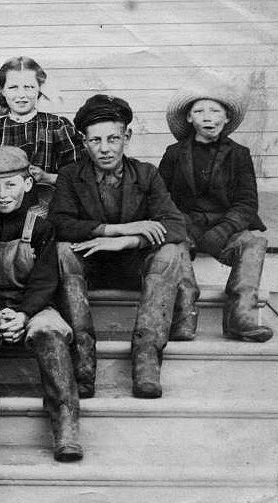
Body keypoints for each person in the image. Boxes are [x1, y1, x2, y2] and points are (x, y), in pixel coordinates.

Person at [50, 95, 186, 399]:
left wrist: (129, 240)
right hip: (90, 265)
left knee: (170, 251)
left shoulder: (146, 174)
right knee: (62, 250)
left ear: (127, 137)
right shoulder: (72, 175)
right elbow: (59, 222)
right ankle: (83, 361)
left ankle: (146, 359)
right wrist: (114, 230)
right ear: (84, 142)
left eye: (113, 138)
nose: (105, 148)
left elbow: (176, 225)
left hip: (132, 268)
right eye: (95, 140)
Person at [0, 146, 82, 462]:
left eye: (11, 184)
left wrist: (24, 314)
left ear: (27, 184)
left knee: (50, 331)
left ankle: (65, 424)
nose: (2, 194)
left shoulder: (42, 225)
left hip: (34, 306)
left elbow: (44, 279)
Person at [159, 80, 273, 342]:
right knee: (172, 243)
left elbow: (246, 203)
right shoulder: (174, 154)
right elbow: (161, 198)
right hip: (186, 227)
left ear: (227, 117)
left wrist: (223, 230)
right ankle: (183, 316)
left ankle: (240, 317)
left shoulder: (239, 154)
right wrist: (185, 226)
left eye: (215, 111)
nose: (207, 118)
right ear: (188, 118)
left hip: (225, 228)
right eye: (199, 111)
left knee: (253, 242)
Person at [0, 56, 84, 187]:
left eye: (28, 87)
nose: (21, 94)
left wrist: (47, 177)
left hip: (49, 202)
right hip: (1, 204)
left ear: (39, 89)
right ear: (2, 91)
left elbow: (79, 176)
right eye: (13, 87)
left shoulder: (57, 127)